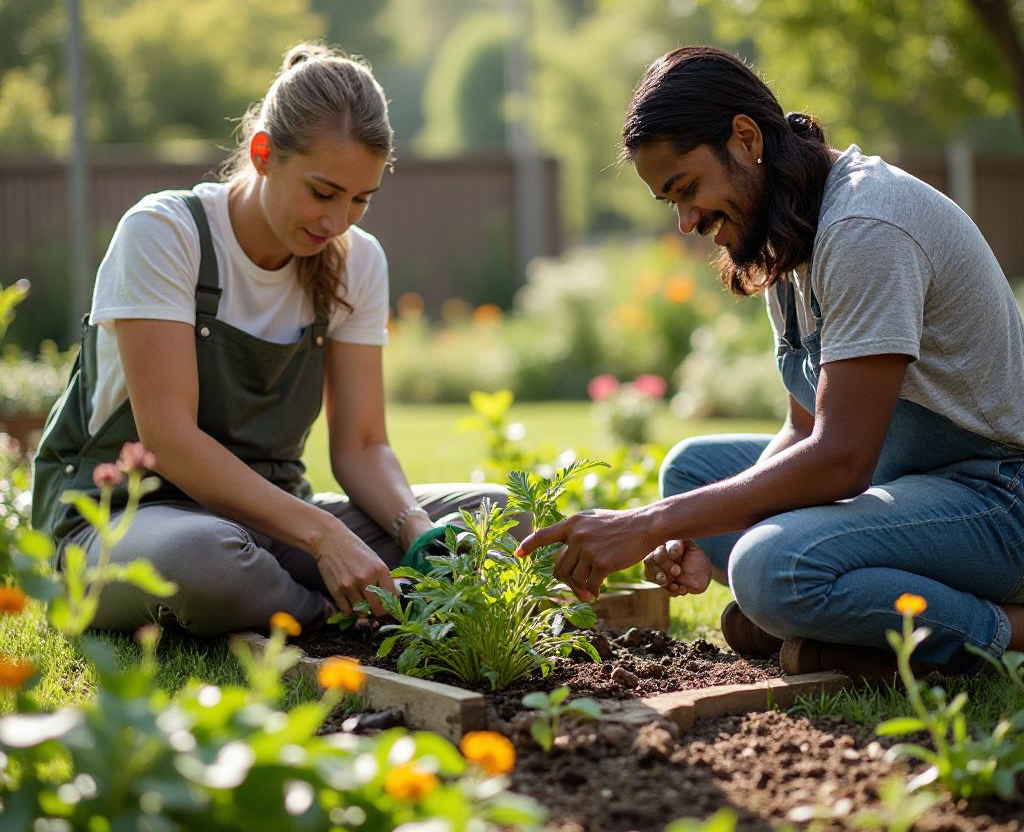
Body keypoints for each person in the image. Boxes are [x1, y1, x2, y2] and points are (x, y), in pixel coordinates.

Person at [517, 45, 1024, 677]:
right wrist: (687, 524)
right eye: (671, 202)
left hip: (996, 497)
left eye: (687, 188)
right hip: (901, 478)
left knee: (767, 568)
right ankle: (843, 628)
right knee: (690, 473)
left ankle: (1004, 630)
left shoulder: (866, 226)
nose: (686, 221)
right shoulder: (788, 231)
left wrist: (647, 525)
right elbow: (803, 428)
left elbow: (840, 461)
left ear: (746, 137)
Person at [32, 42, 506, 636]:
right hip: (124, 522)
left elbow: (361, 445)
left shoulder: (357, 260)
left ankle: (322, 597)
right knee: (206, 559)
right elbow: (169, 441)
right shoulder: (165, 232)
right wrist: (325, 535)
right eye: (323, 192)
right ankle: (338, 616)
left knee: (493, 514)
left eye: (360, 199)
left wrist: (415, 528)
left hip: (273, 525)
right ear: (263, 154)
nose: (338, 221)